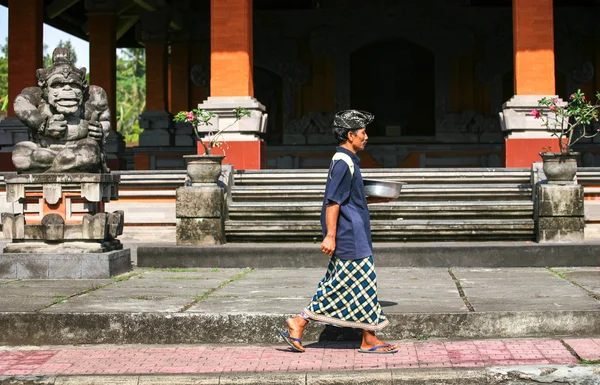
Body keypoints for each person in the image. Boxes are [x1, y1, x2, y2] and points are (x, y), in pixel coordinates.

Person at [277, 109, 398, 354]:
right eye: (363, 133)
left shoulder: (349, 160)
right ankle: (299, 322)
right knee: (349, 284)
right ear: (351, 135)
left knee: (361, 285)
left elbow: (349, 199)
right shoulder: (342, 162)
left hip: (355, 232)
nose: (366, 137)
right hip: (348, 235)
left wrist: (376, 200)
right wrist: (330, 235)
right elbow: (333, 201)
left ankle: (367, 338)